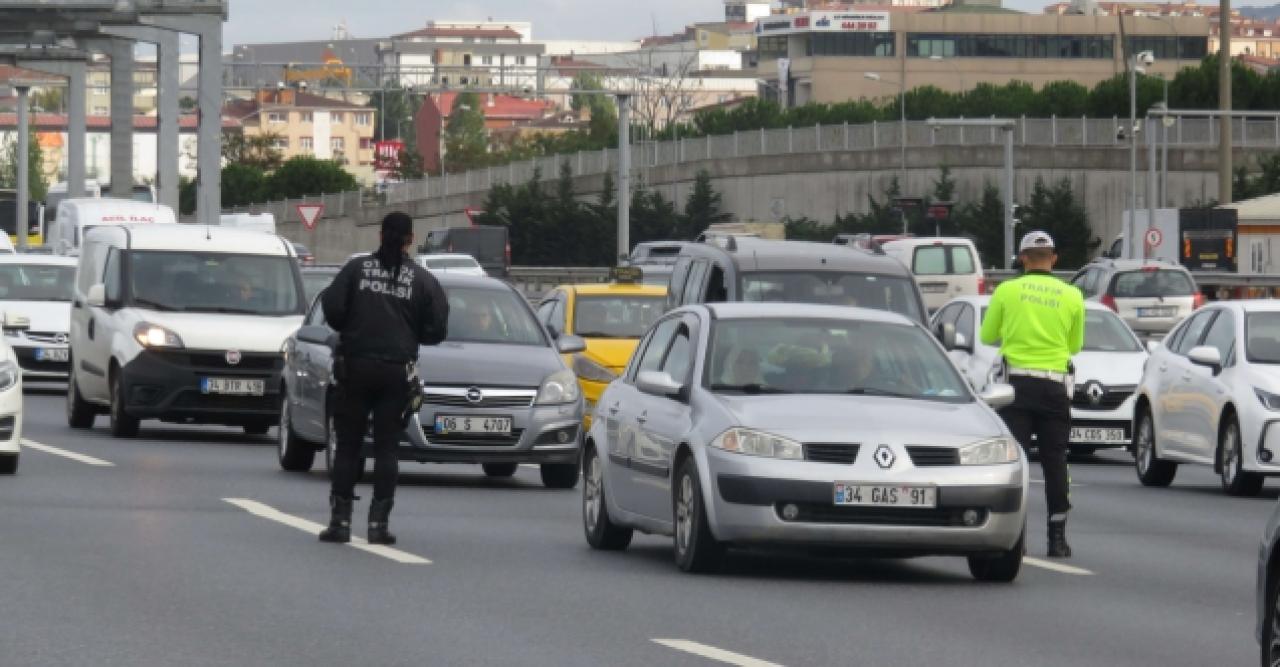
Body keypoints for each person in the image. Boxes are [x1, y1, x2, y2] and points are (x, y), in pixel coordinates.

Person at [317, 212, 449, 545]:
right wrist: (410, 333)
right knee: (388, 447)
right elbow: (437, 328)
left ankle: (340, 522)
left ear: (379, 235)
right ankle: (378, 526)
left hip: (355, 367)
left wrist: (353, 327)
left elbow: (331, 309)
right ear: (410, 239)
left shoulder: (357, 269)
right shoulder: (422, 280)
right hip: (396, 371)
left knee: (348, 445)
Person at [979, 231, 1085, 558]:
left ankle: (1016, 537)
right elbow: (1074, 346)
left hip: (1016, 389)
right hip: (1054, 387)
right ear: (1054, 259)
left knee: (1016, 462)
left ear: (1022, 259)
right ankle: (1057, 538)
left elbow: (987, 335)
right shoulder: (1072, 295)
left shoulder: (1007, 291)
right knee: (1055, 462)